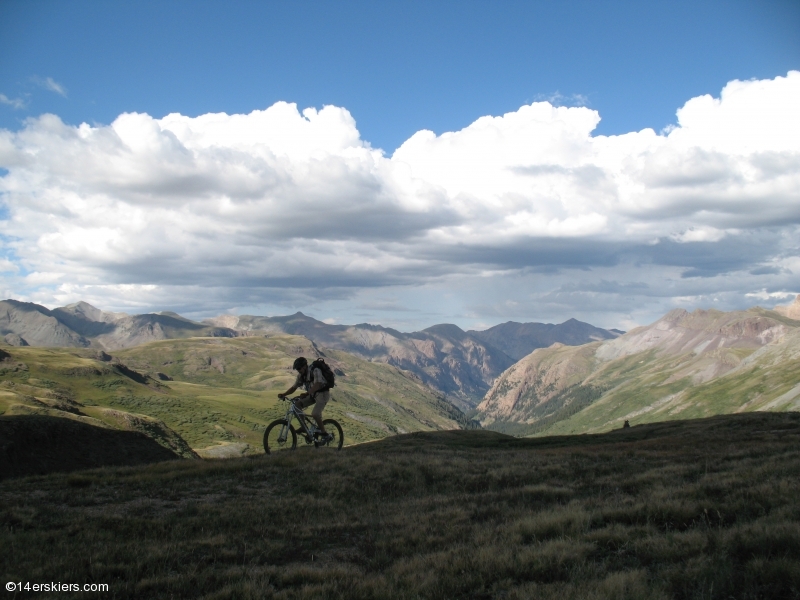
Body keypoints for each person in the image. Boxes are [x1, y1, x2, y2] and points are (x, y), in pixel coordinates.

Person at [278, 357, 333, 442]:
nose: (298, 370)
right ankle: (304, 427)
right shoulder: (301, 376)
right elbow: (294, 388)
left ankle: (325, 434)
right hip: (312, 395)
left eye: (299, 368)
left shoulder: (315, 370)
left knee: (315, 414)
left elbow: (318, 384)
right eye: (297, 369)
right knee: (296, 406)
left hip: (323, 394)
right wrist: (284, 394)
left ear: (304, 366)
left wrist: (307, 393)